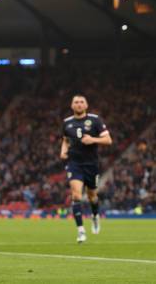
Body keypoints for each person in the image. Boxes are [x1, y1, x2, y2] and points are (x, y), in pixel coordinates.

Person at [60, 94, 112, 243]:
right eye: (76, 102)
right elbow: (65, 140)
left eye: (81, 102)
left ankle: (95, 216)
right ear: (72, 105)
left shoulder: (95, 120)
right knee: (76, 195)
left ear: (86, 105)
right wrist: (63, 151)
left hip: (91, 164)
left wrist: (93, 139)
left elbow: (108, 140)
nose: (79, 104)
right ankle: (81, 231)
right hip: (74, 164)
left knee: (92, 196)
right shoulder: (67, 123)